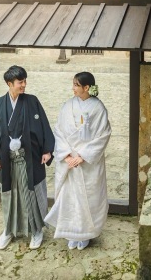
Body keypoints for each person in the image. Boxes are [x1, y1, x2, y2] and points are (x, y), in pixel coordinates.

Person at [0, 65, 55, 250]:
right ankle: (9, 231)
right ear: (9, 83)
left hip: (30, 159)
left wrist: (47, 150)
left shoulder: (32, 101)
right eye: (20, 82)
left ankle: (37, 231)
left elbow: (44, 126)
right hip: (8, 161)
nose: (24, 85)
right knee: (10, 196)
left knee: (33, 195)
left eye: (25, 81)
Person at [45, 71, 111, 250]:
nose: (73, 88)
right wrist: (66, 155)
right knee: (69, 199)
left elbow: (103, 135)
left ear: (86, 87)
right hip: (69, 161)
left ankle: (85, 235)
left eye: (76, 85)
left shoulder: (98, 108)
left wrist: (82, 156)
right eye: (73, 84)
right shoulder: (67, 106)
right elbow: (58, 131)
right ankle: (71, 233)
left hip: (87, 162)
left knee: (87, 198)